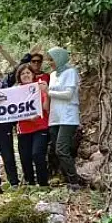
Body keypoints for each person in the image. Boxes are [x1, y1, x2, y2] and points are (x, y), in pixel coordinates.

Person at [46, 47, 83, 190]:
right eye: (49, 59)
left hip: (68, 117)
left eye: (52, 59)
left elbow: (68, 94)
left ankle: (74, 181)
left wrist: (48, 92)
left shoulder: (71, 72)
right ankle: (66, 179)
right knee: (57, 150)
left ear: (60, 58)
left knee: (61, 149)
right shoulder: (53, 75)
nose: (50, 62)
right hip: (55, 117)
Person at [13, 63, 50, 186]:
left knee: (37, 154)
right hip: (23, 129)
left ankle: (43, 184)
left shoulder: (39, 87)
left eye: (28, 72)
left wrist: (47, 92)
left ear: (33, 74)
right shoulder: (15, 91)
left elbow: (46, 107)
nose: (25, 75)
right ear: (19, 77)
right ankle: (30, 184)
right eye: (22, 73)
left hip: (40, 126)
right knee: (25, 158)